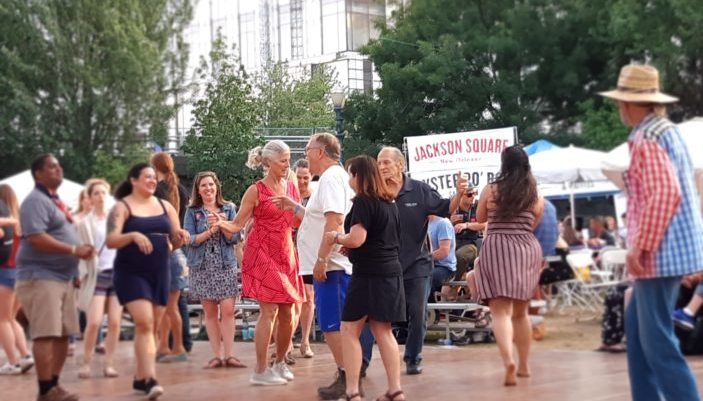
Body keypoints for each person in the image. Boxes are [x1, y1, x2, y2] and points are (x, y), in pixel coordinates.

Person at [599, 63, 703, 400]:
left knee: (657, 341)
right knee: (638, 330)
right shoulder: (665, 131)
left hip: (659, 253)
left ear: (628, 103)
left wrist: (640, 246)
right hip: (673, 248)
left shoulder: (646, 137)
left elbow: (665, 193)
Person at [272, 133, 355, 398]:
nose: (305, 155)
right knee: (334, 324)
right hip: (331, 265)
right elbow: (319, 218)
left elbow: (334, 221)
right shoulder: (332, 178)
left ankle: (348, 380)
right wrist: (296, 207)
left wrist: (322, 259)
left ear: (320, 152)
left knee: (333, 326)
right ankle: (348, 377)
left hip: (332, 267)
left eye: (308, 149)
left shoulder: (330, 179)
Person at [218, 140, 304, 386]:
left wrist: (294, 208)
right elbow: (237, 224)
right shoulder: (255, 190)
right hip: (262, 253)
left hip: (286, 252)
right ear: (268, 162)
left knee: (289, 311)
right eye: (283, 161)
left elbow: (297, 222)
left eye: (288, 159)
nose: (287, 165)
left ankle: (279, 362)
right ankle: (260, 369)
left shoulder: (291, 187)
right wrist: (220, 223)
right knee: (270, 310)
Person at [374, 146, 465, 376]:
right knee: (375, 315)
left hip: (417, 265)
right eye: (379, 162)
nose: (382, 167)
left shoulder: (419, 190)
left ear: (400, 165)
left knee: (418, 312)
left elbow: (445, 207)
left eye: (386, 162)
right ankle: (361, 363)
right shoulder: (375, 191)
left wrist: (458, 194)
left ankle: (413, 358)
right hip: (385, 266)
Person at [321, 155, 406, 401]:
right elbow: (381, 239)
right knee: (383, 331)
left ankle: (352, 391)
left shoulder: (362, 202)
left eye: (350, 174)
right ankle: (395, 390)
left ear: (358, 176)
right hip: (391, 272)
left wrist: (336, 237)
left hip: (368, 274)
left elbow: (357, 238)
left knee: (349, 330)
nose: (349, 179)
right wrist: (352, 246)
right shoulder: (389, 203)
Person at [106, 163, 190, 399]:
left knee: (150, 327)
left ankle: (140, 376)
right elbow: (111, 240)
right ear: (134, 180)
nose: (153, 181)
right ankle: (151, 379)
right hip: (131, 272)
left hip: (160, 271)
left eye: (154, 177)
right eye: (147, 177)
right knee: (144, 322)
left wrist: (181, 237)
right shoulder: (122, 207)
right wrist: (133, 235)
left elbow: (176, 239)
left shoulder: (165, 206)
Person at [15, 154, 95, 401]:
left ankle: (53, 384)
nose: (58, 169)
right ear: (38, 173)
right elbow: (36, 237)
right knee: (45, 333)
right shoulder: (35, 201)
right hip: (41, 276)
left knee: (63, 333)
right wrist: (73, 249)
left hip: (64, 277)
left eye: (59, 166)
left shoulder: (55, 200)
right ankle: (44, 389)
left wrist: (76, 267)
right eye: (52, 167)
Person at [474, 145, 544, 386]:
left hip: (497, 247)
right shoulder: (535, 193)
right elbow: (534, 221)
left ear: (504, 164)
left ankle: (508, 362)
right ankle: (524, 365)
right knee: (521, 313)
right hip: (526, 248)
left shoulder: (491, 189)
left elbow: (480, 218)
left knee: (500, 312)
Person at [183, 171, 245, 369]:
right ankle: (217, 356)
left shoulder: (229, 208)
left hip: (225, 265)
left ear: (217, 186)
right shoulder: (192, 211)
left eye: (211, 184)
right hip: (202, 267)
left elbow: (235, 238)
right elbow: (190, 239)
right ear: (198, 190)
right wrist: (211, 230)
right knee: (210, 313)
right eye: (204, 185)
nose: (208, 188)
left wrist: (222, 224)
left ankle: (230, 355)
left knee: (228, 310)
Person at [75, 180, 123, 379]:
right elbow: (78, 251)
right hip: (96, 275)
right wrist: (86, 255)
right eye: (96, 193)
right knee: (94, 322)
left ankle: (109, 364)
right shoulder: (84, 223)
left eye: (103, 192)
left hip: (117, 274)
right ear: (90, 198)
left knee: (115, 322)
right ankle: (86, 362)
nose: (101, 196)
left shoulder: (117, 219)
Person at [151, 152, 189, 363]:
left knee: (168, 306)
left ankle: (178, 347)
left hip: (167, 252)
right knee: (168, 306)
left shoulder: (157, 192)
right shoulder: (180, 190)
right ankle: (166, 346)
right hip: (176, 250)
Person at [0, 184, 34, 375]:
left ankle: (13, 362)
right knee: (11, 318)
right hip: (22, 274)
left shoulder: (7, 223)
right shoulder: (23, 222)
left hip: (5, 272)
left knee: (2, 320)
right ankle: (25, 355)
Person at [292, 158, 315, 359]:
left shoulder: (315, 197)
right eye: (298, 177)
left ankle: (305, 341)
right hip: (288, 250)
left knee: (309, 295)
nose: (302, 181)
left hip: (308, 252)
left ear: (311, 177)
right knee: (291, 297)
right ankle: (287, 341)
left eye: (305, 177)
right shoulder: (288, 195)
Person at [451, 185, 484, 278]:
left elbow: (484, 224)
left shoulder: (477, 206)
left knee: (459, 256)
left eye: (475, 193)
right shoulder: (453, 207)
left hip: (471, 243)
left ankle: (453, 281)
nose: (473, 196)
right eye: (469, 194)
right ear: (461, 195)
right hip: (453, 242)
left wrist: (466, 225)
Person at [428, 215, 457, 297]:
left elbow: (443, 252)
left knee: (426, 277)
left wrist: (421, 259)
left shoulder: (443, 223)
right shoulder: (421, 223)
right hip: (427, 265)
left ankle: (428, 304)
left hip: (445, 268)